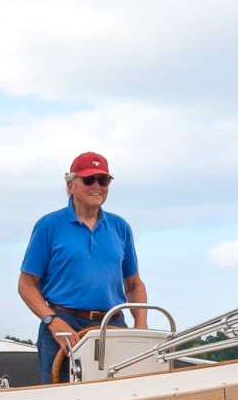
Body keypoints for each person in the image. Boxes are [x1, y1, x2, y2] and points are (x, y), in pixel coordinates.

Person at [18, 152, 145, 383]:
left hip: (113, 325)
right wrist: (53, 322)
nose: (97, 186)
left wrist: (141, 328)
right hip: (65, 327)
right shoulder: (49, 226)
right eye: (89, 180)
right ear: (71, 185)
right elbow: (26, 285)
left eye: (103, 180)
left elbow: (134, 284)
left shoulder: (120, 228)